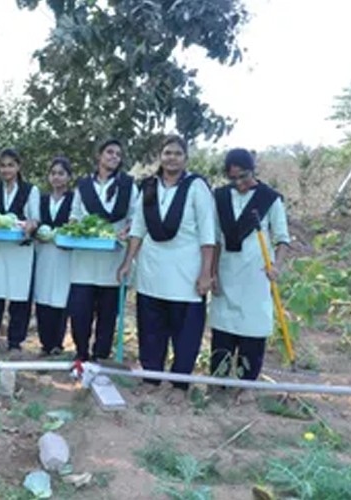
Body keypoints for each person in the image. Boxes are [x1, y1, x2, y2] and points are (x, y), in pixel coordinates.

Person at [117, 135, 215, 400]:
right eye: (167, 153)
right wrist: (128, 262)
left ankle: (180, 385)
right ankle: (152, 378)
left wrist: (206, 272)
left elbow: (208, 233)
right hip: (152, 269)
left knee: (186, 332)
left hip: (186, 272)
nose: (172, 158)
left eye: (177, 154)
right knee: (150, 327)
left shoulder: (196, 187)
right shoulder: (149, 186)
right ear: (160, 156)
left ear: (186, 158)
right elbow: (138, 227)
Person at [210, 148, 290, 399]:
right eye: (233, 178)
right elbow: (214, 239)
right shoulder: (220, 197)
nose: (239, 184)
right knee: (223, 327)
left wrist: (277, 265)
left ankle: (247, 386)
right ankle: (218, 382)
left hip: (257, 273)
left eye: (243, 177)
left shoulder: (270, 198)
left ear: (253, 171)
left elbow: (282, 239)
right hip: (226, 270)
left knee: (252, 328)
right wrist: (212, 272)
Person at [69, 140, 137, 361]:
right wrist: (74, 227)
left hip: (114, 261)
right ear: (99, 155)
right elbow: (75, 214)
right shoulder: (83, 186)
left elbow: (135, 217)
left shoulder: (128, 185)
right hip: (84, 261)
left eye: (118, 154)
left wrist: (128, 228)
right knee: (80, 312)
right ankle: (81, 355)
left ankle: (100, 357)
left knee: (108, 315)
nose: (114, 157)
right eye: (109, 152)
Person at [0, 149, 40, 357]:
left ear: (18, 167)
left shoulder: (31, 191)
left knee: (19, 298)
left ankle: (15, 342)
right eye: (3, 165)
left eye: (10, 165)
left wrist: (31, 225)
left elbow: (35, 218)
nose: (6, 169)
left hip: (19, 251)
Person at [34, 157, 74, 356]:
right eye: (53, 173)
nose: (57, 177)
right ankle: (45, 343)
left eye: (61, 173)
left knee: (60, 297)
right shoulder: (41, 200)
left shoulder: (74, 200)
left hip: (64, 254)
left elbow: (75, 225)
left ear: (68, 177)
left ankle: (57, 343)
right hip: (43, 253)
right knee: (42, 296)